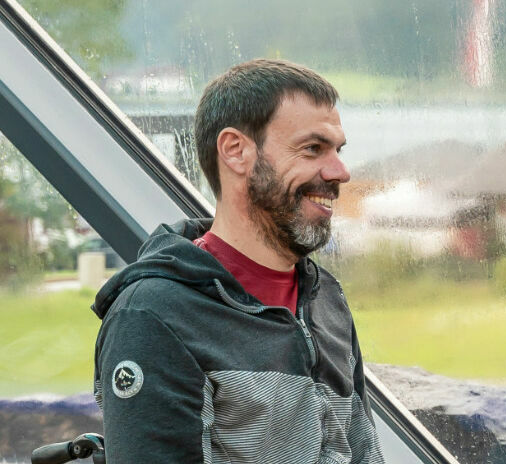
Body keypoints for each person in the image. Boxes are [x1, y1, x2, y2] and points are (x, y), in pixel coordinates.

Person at [90, 58, 384, 463]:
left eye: (337, 150)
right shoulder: (155, 316)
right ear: (236, 151)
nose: (340, 172)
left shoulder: (324, 297)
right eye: (313, 148)